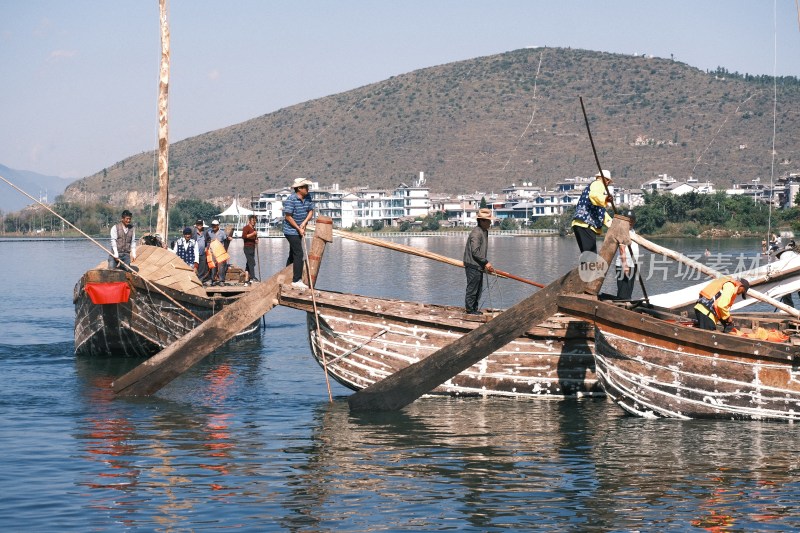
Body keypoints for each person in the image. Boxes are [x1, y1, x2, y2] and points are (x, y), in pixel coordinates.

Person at [571, 170, 614, 255]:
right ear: (606, 180)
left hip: (580, 224)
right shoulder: (598, 184)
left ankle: (585, 267)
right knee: (590, 257)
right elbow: (594, 196)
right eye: (608, 182)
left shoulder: (595, 189)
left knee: (588, 255)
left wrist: (613, 225)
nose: (608, 184)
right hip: (586, 224)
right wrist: (605, 199)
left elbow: (601, 212)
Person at [283, 178, 315, 289]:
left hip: (299, 228)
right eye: (305, 187)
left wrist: (304, 223)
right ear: (299, 188)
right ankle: (296, 280)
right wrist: (298, 228)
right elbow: (288, 216)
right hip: (290, 231)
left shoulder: (308, 197)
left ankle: (286, 274)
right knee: (299, 253)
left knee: (293, 253)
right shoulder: (291, 199)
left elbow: (311, 212)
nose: (307, 189)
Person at [463, 208, 495, 315]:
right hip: (473, 265)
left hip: (478, 265)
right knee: (472, 288)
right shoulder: (476, 233)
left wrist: (484, 263)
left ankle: (474, 309)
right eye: (488, 221)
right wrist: (486, 262)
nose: (490, 222)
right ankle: (470, 310)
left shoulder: (484, 232)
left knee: (478, 289)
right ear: (482, 221)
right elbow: (475, 251)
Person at [615, 212, 640, 300]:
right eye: (629, 221)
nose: (630, 223)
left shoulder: (632, 231)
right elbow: (622, 248)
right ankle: (621, 308)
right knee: (623, 291)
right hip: (624, 265)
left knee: (629, 290)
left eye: (632, 221)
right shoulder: (622, 231)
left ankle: (627, 306)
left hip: (632, 265)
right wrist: (625, 264)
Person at [205, 219, 231, 285]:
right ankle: (213, 280)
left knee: (221, 266)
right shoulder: (209, 232)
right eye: (213, 225)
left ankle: (221, 280)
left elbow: (226, 242)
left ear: (218, 225)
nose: (214, 227)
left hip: (220, 252)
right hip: (212, 252)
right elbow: (207, 241)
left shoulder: (222, 233)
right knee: (213, 266)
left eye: (215, 225)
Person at [242, 214, 259, 282]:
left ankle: (247, 279)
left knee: (249, 263)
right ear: (250, 221)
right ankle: (252, 277)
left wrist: (256, 241)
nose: (254, 222)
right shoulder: (246, 228)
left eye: (255, 221)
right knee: (252, 262)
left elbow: (254, 238)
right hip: (247, 247)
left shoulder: (254, 229)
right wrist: (253, 234)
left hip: (252, 247)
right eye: (253, 220)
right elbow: (244, 236)